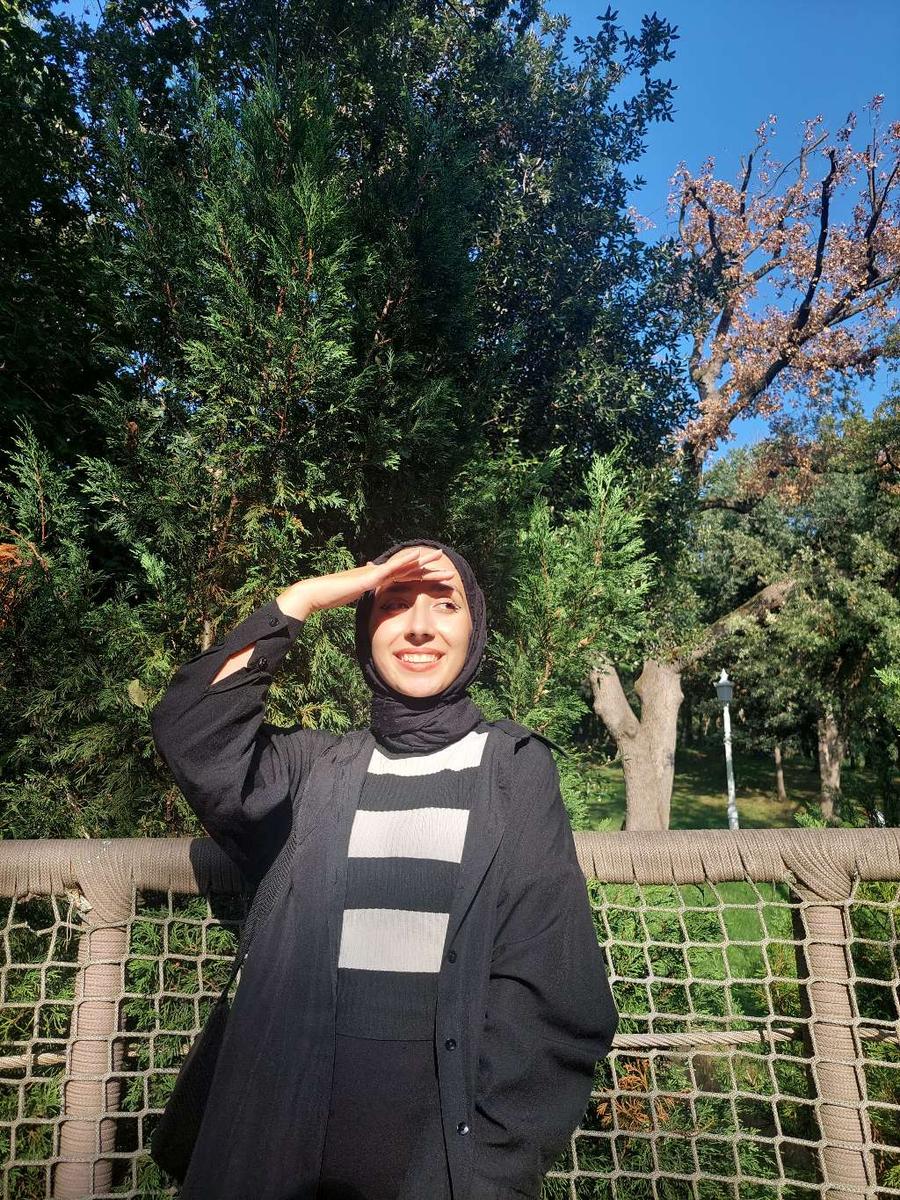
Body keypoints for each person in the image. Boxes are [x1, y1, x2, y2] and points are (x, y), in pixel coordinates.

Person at [150, 538, 618, 1200]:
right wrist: (300, 601)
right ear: (366, 631)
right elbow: (191, 729)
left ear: (475, 631)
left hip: (441, 1164)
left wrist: (489, 1172)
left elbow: (551, 994)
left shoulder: (514, 773)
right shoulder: (313, 770)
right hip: (274, 1142)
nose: (419, 626)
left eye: (445, 604)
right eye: (393, 604)